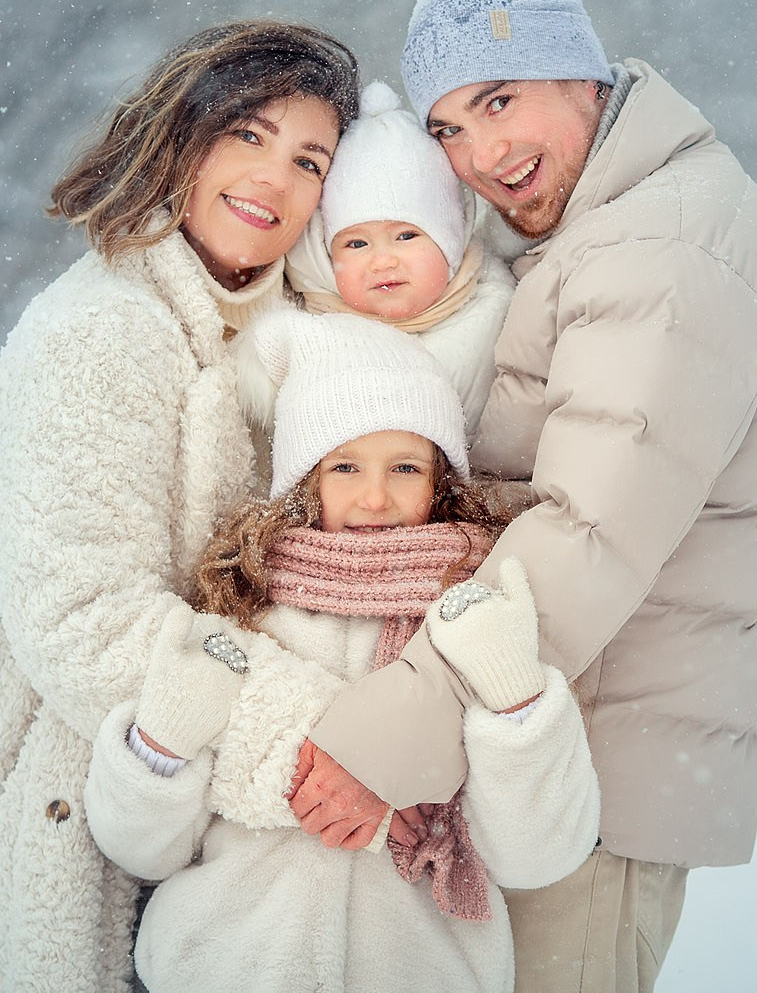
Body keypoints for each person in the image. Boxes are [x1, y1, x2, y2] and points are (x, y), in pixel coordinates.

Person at [288, 0, 757, 993]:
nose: (480, 153)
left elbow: (583, 535)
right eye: (448, 127)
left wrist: (387, 733)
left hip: (595, 777)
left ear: (583, 73)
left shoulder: (662, 253)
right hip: (548, 755)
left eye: (500, 100)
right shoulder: (605, 236)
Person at [0, 20, 365, 993]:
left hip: (175, 840)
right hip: (52, 839)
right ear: (181, 133)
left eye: (309, 159)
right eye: (248, 135)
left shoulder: (262, 342)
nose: (273, 177)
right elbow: (83, 622)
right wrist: (324, 739)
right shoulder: (99, 332)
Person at [82, 311, 599, 991]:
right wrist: (161, 747)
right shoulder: (243, 610)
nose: (375, 495)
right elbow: (141, 847)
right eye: (345, 465)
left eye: (405, 466)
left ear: (441, 481)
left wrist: (516, 702)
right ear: (305, 481)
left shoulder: (471, 625)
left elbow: (538, 854)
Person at [237, 78, 515, 433]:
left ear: (452, 243)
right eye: (356, 244)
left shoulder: (501, 314)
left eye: (406, 235)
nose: (382, 261)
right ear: (325, 257)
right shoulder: (309, 338)